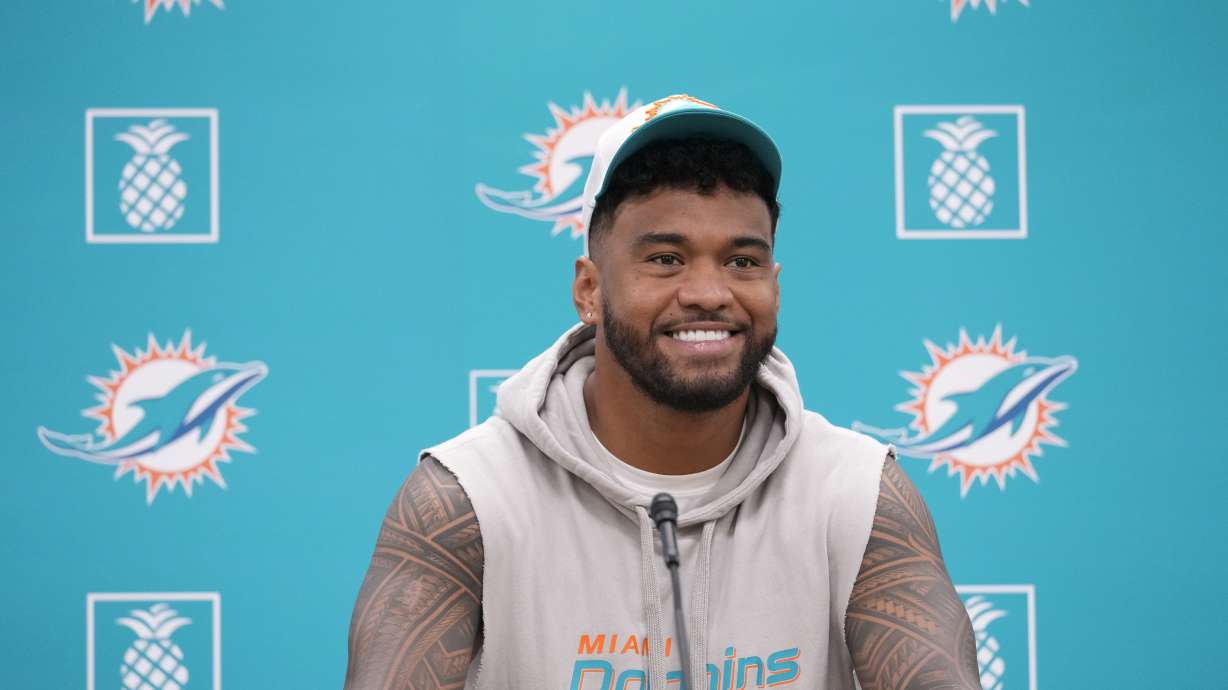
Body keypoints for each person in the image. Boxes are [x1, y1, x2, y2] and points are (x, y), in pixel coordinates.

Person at [344, 95, 980, 690]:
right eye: (666, 259)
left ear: (775, 285)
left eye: (742, 262)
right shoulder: (468, 499)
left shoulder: (857, 492)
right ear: (590, 291)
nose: (709, 293)